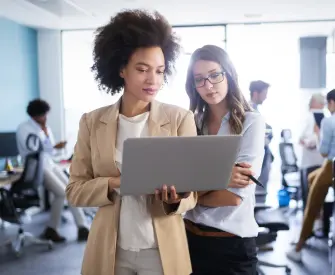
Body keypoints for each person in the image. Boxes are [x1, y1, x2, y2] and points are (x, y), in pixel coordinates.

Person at [65, 10, 197, 275]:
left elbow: (192, 195)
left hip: (162, 251)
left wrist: (174, 199)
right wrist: (115, 183)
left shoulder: (179, 119)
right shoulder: (92, 122)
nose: (153, 80)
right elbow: (75, 190)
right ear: (121, 69)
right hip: (111, 251)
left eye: (159, 71)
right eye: (142, 69)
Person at [183, 45, 265, 275]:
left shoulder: (251, 122)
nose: (208, 85)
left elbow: (232, 196)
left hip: (231, 246)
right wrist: (221, 177)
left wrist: (189, 194)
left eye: (214, 75)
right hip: (188, 240)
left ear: (228, 73)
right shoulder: (191, 124)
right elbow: (178, 183)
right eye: (199, 79)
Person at [16, 99, 89, 242]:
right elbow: (32, 149)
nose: (46, 118)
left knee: (71, 189)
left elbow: (50, 152)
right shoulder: (24, 128)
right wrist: (44, 134)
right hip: (38, 168)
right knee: (61, 193)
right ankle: (51, 229)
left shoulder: (45, 128)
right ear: (35, 115)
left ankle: (82, 227)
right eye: (43, 115)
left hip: (50, 164)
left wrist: (56, 146)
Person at [287, 89, 335, 262]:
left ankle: (298, 248)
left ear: (330, 103)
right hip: (323, 168)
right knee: (312, 178)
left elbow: (323, 152)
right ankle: (321, 220)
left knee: (311, 206)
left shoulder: (328, 121)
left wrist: (320, 138)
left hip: (330, 165)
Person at [299, 93, 325, 217]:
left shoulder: (315, 115)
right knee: (312, 197)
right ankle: (311, 227)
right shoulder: (315, 116)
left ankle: (310, 227)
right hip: (314, 162)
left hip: (311, 162)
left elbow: (310, 140)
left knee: (309, 197)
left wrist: (307, 142)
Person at [249, 80, 273, 190]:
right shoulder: (250, 111)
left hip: (263, 152)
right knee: (259, 187)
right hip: (256, 154)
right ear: (255, 93)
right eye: (264, 94)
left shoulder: (255, 110)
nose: (266, 97)